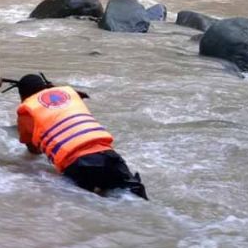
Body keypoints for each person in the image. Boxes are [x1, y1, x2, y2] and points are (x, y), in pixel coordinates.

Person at [12, 73, 147, 199]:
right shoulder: (70, 93)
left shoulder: (26, 111)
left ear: (22, 97)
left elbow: (33, 151)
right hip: (109, 156)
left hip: (77, 164)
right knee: (133, 197)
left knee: (91, 205)